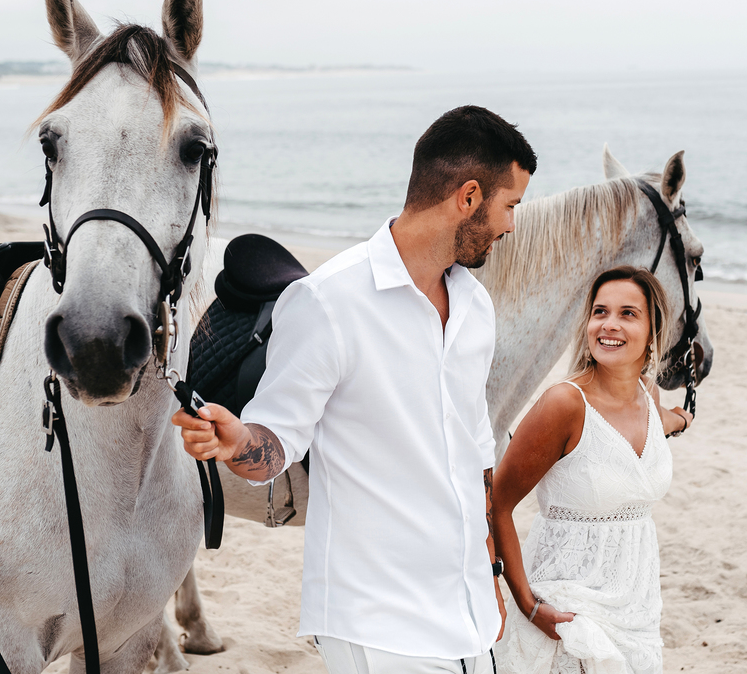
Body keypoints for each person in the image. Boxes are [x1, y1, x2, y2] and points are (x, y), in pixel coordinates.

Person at [172, 105, 538, 673]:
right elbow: (276, 444)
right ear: (468, 197)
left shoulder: (476, 306)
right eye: (509, 205)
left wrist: (489, 575)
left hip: (470, 619)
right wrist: (238, 440)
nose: (512, 224)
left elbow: (476, 460)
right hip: (375, 622)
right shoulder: (328, 302)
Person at [491, 266, 694, 674]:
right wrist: (528, 606)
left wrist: (682, 419)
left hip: (637, 610)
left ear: (654, 330)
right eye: (600, 312)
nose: (609, 325)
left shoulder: (647, 394)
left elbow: (661, 420)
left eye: (628, 314)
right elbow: (496, 503)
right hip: (567, 610)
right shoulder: (564, 405)